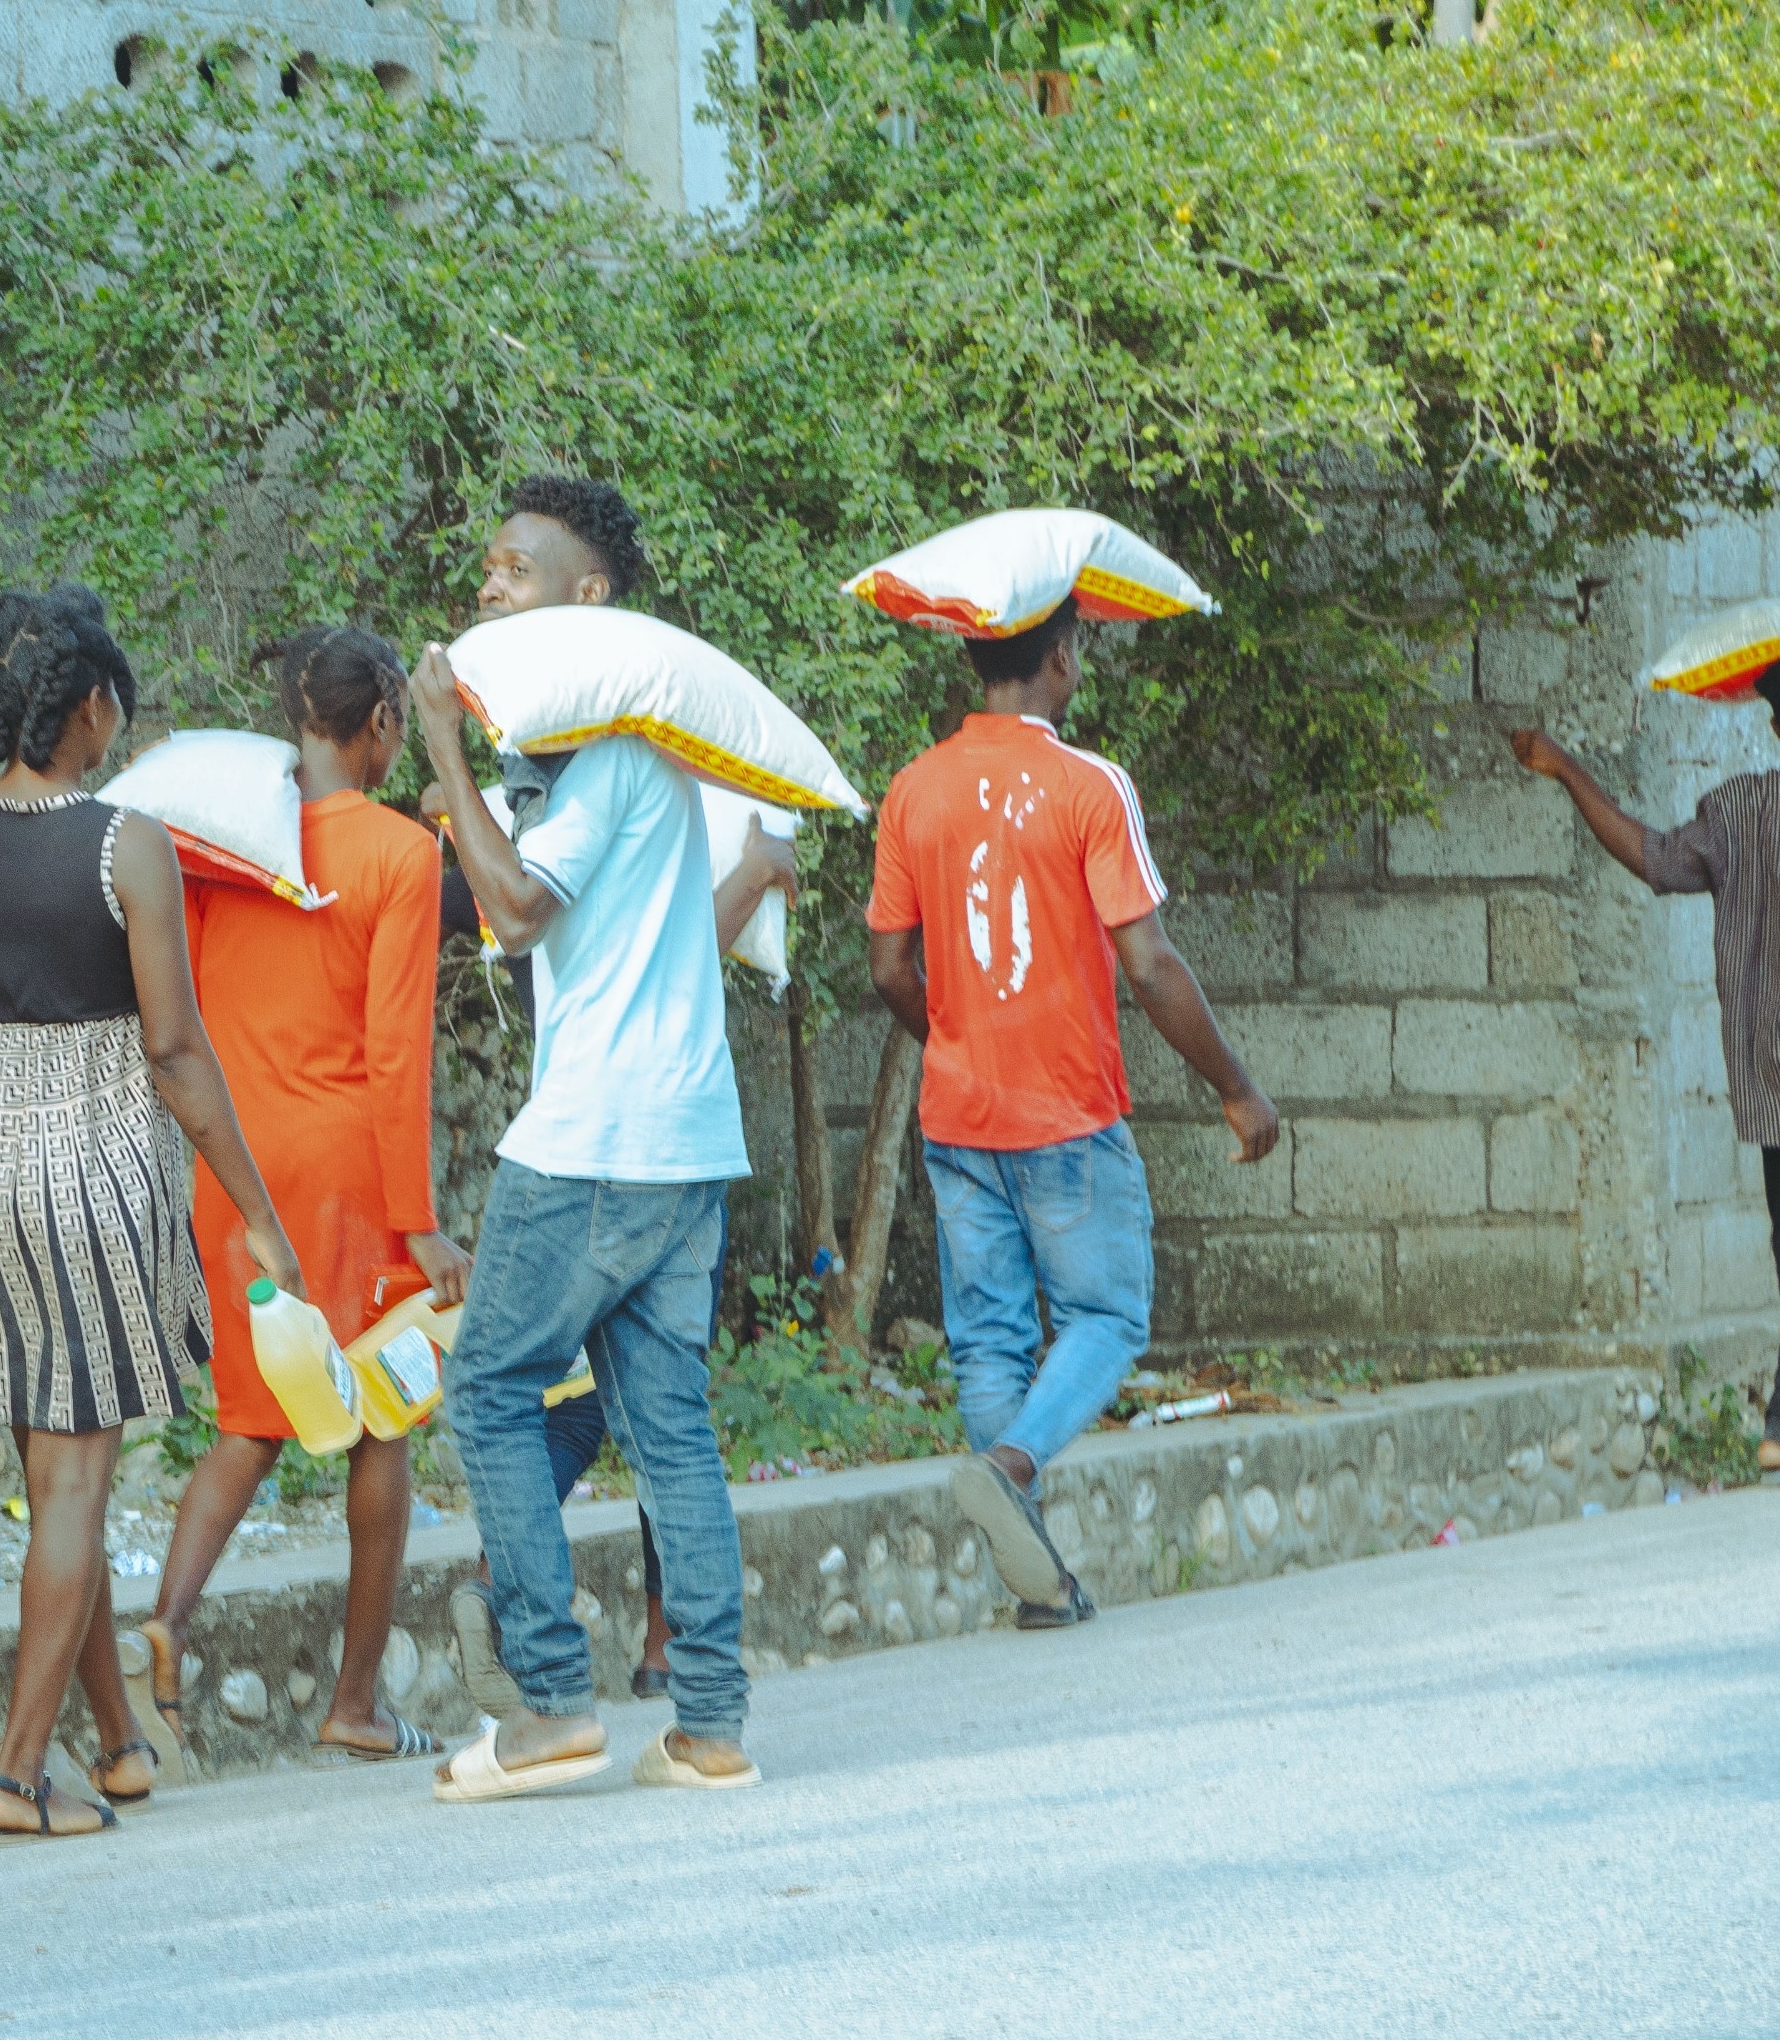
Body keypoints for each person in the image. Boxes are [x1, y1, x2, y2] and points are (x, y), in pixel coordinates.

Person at [0, 585, 309, 1838]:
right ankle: (17, 1775)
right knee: (73, 1493)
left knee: (50, 1476)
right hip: (92, 1175)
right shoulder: (128, 848)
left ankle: (118, 1740)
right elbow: (176, 1054)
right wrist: (257, 1211)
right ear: (86, 708)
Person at [439, 477, 790, 1703]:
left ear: (588, 596)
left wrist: (436, 738)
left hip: (597, 1138)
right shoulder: (618, 762)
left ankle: (546, 1696)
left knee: (486, 1387)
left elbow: (520, 915)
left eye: (515, 567)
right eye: (485, 564)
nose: (489, 583)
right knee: (667, 1428)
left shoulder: (614, 765)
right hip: (685, 1138)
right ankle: (708, 1716)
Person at [868, 605, 1279, 1618]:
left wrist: (958, 1038)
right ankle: (1011, 1463)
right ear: (1060, 660)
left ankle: (1038, 1581)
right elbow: (1149, 960)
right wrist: (1234, 1085)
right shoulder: (1088, 785)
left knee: (991, 1342)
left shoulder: (913, 789)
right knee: (1103, 1314)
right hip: (1065, 1111)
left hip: (957, 1115)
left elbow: (887, 966)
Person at [137, 627, 464, 1765]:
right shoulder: (398, 854)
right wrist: (418, 1220)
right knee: (382, 1415)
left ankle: (163, 1624)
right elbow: (396, 1055)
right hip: (346, 1169)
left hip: (230, 1169)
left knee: (248, 1416)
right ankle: (355, 1701)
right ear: (379, 724)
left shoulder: (225, 843)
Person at [1510, 662, 1780, 1473]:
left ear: (1777, 729)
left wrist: (1567, 766)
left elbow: (1653, 857)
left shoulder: (1738, 809)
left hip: (1767, 1061)